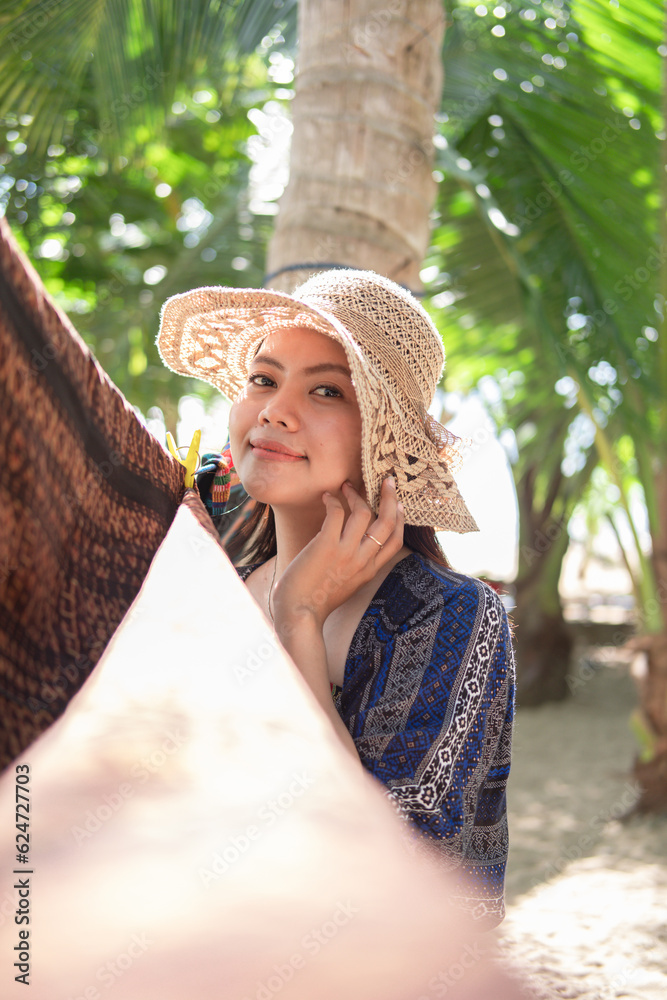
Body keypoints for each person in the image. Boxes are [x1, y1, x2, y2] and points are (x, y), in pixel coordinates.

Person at [157, 268, 515, 927]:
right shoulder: (219, 570)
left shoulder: (449, 617)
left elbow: (396, 876)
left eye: (325, 389)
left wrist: (298, 618)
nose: (272, 409)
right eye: (263, 379)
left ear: (381, 439)